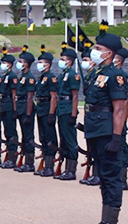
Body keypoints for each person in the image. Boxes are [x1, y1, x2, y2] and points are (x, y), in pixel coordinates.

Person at [80, 31, 127, 224]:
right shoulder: (96, 73)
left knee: (111, 177)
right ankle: (104, 221)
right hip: (96, 130)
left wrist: (117, 137)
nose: (94, 51)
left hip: (107, 132)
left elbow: (119, 109)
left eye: (98, 49)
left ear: (109, 54)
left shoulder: (114, 76)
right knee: (103, 177)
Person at [53, 44, 81, 181]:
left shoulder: (72, 75)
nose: (61, 61)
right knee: (63, 138)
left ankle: (71, 169)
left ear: (69, 61)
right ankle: (65, 168)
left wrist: (73, 114)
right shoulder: (63, 74)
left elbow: (75, 96)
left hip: (68, 108)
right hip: (61, 108)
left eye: (63, 59)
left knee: (70, 139)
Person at [33, 45, 58, 177]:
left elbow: (54, 96)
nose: (39, 65)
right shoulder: (41, 77)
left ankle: (50, 165)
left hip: (47, 107)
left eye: (42, 63)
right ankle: (45, 163)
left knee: (50, 137)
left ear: (48, 65)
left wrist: (51, 114)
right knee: (42, 136)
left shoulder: (50, 77)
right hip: (41, 108)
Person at [79, 41, 101, 186]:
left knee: (98, 146)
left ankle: (98, 174)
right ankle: (94, 173)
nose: (84, 63)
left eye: (86, 60)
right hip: (90, 113)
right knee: (91, 145)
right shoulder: (89, 75)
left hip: (98, 114)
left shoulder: (96, 75)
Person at [113, 48, 128, 190]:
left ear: (118, 61)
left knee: (120, 145)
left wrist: (123, 119)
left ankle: (122, 177)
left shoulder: (122, 76)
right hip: (110, 116)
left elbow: (127, 100)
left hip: (119, 118)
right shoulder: (111, 75)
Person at [14, 46, 36, 173]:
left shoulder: (29, 77)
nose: (19, 63)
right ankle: (25, 159)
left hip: (26, 108)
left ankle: (29, 162)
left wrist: (28, 114)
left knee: (28, 136)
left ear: (26, 64)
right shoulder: (23, 76)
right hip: (21, 107)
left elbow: (29, 97)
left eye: (21, 62)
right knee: (23, 135)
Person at [0, 48, 19, 169]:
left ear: (10, 65)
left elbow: (14, 94)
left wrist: (15, 109)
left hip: (10, 106)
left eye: (5, 63)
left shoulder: (12, 76)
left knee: (11, 132)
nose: (3, 65)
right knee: (6, 131)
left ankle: (12, 157)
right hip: (4, 105)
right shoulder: (5, 75)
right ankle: (9, 155)